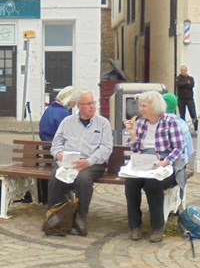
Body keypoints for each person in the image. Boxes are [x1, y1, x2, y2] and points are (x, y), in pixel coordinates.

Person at [46, 90, 113, 237]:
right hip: (68, 161)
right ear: (79, 106)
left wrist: (88, 162)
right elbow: (56, 143)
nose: (92, 106)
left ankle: (80, 219)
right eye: (88, 104)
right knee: (56, 177)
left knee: (83, 179)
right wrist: (59, 154)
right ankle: (55, 217)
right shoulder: (67, 122)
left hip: (92, 162)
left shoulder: (103, 124)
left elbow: (106, 149)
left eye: (93, 103)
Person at [123, 90, 186, 243]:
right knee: (131, 183)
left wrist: (164, 162)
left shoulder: (169, 122)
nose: (140, 109)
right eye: (140, 105)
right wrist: (132, 134)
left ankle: (157, 227)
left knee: (153, 185)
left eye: (144, 105)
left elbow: (179, 148)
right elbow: (136, 149)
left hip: (167, 164)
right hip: (146, 163)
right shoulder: (142, 123)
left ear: (154, 107)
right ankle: (134, 226)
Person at [175, 65, 198, 132]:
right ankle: (184, 128)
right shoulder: (178, 78)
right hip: (181, 99)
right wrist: (186, 83)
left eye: (184, 70)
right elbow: (179, 84)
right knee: (182, 114)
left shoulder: (191, 78)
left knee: (193, 113)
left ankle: (196, 127)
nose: (183, 71)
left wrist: (185, 84)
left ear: (186, 70)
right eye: (182, 70)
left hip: (189, 99)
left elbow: (191, 85)